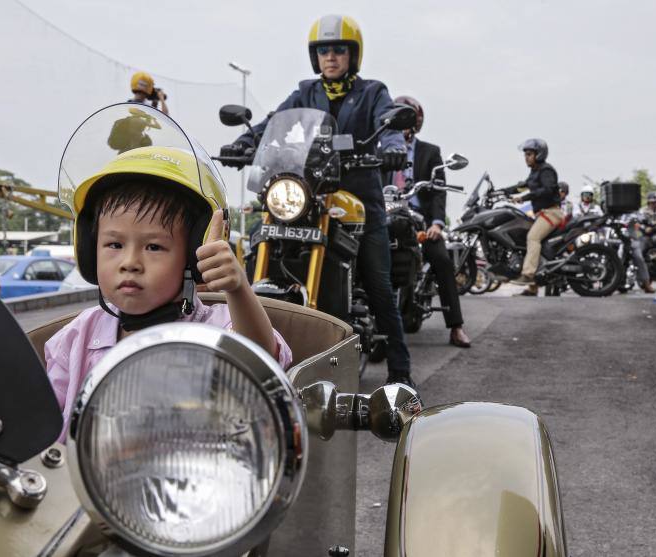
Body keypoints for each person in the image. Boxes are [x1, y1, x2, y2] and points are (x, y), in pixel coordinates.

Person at [46, 107, 291, 441]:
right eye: (114, 244)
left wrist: (237, 289)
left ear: (192, 253)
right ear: (89, 249)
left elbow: (260, 359)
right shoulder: (75, 339)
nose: (130, 262)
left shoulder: (216, 328)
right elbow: (44, 431)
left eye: (154, 247)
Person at [219, 15, 414, 386]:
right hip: (306, 194)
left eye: (339, 49)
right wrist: (245, 142)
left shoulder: (373, 92)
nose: (331, 56)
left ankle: (400, 370)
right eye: (324, 50)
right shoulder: (305, 92)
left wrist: (393, 148)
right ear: (315, 56)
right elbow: (273, 122)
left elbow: (387, 124)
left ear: (352, 55)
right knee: (257, 244)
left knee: (378, 283)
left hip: (359, 198)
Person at [391, 95, 470, 348]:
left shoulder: (430, 152)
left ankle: (456, 326)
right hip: (387, 216)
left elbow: (438, 191)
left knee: (442, 261)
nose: (399, 125)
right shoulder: (381, 151)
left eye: (404, 119)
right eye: (395, 118)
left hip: (419, 220)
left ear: (415, 123)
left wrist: (436, 223)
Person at [502, 138, 563, 296]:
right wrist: (502, 191)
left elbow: (548, 190)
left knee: (533, 238)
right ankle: (533, 288)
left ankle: (528, 275)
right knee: (526, 240)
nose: (526, 157)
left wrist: (524, 198)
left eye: (529, 154)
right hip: (542, 214)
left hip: (551, 213)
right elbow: (522, 186)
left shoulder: (546, 170)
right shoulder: (534, 172)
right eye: (525, 155)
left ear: (539, 154)